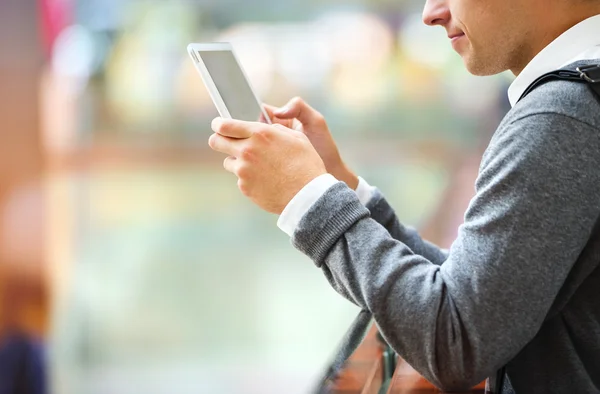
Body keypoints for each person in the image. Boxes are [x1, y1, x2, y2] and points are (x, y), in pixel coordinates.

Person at [207, 0, 600, 391]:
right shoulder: (578, 100)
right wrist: (340, 187)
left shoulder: (560, 115)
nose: (431, 12)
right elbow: (484, 299)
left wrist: (307, 199)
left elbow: (454, 341)